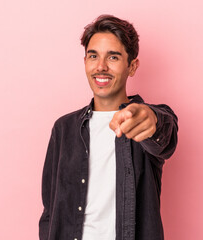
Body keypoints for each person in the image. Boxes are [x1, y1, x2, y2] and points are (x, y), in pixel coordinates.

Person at [39, 14, 178, 240]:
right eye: (93, 56)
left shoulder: (142, 120)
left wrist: (151, 117)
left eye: (113, 57)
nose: (101, 67)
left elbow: (165, 133)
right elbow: (50, 210)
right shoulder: (63, 129)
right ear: (85, 62)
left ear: (132, 66)